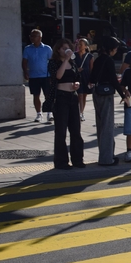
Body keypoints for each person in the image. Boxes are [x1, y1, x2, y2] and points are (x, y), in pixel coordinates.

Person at [47, 38, 85, 170]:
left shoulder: (73, 63)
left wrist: (77, 84)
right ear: (58, 50)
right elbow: (57, 76)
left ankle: (77, 159)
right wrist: (66, 60)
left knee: (76, 130)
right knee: (61, 131)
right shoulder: (54, 63)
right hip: (61, 98)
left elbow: (77, 78)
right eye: (64, 48)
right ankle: (61, 161)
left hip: (72, 97)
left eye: (68, 48)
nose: (66, 50)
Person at [90, 37, 128, 166]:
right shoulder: (109, 61)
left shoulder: (98, 59)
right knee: (107, 126)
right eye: (115, 48)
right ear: (111, 48)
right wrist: (123, 94)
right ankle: (107, 159)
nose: (116, 51)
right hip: (106, 94)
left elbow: (92, 77)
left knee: (100, 125)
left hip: (97, 92)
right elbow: (113, 80)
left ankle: (105, 155)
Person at [22, 29, 54, 123]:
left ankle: (49, 113)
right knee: (36, 95)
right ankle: (38, 114)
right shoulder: (28, 49)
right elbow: (24, 62)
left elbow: (52, 62)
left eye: (34, 36)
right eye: (31, 36)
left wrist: (52, 75)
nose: (32, 38)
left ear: (40, 37)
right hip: (33, 76)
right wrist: (25, 72)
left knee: (47, 95)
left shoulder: (47, 48)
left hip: (46, 75)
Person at [75, 38, 94, 122]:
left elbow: (91, 69)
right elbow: (71, 65)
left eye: (81, 44)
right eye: (78, 44)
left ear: (86, 46)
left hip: (86, 77)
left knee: (84, 95)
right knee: (80, 95)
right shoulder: (74, 55)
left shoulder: (90, 56)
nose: (79, 46)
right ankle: (79, 113)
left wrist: (91, 80)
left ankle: (81, 112)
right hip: (77, 77)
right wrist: (76, 69)